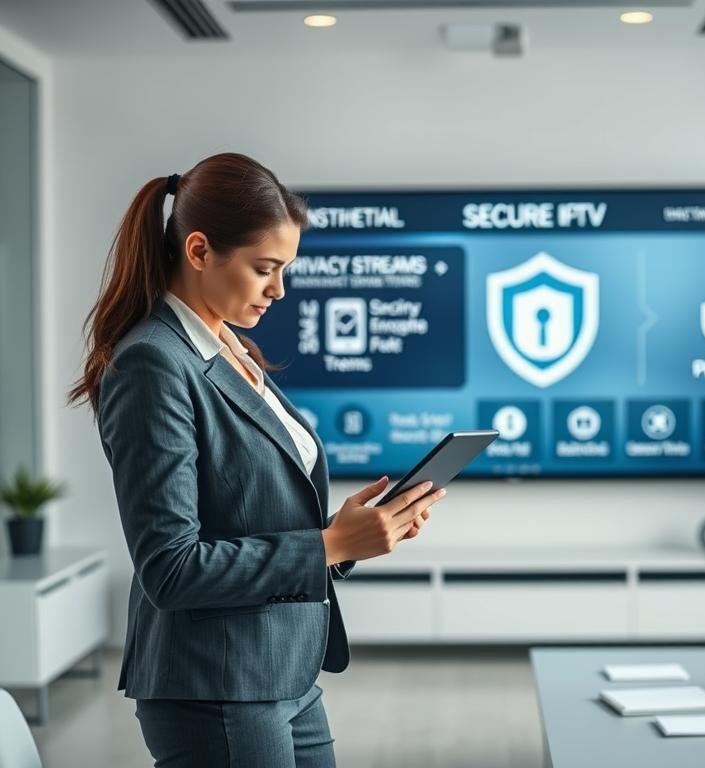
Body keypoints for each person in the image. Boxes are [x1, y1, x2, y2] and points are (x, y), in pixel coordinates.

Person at [67, 152, 445, 767]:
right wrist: (328, 546)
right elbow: (170, 568)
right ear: (198, 251)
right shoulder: (153, 364)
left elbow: (250, 508)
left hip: (283, 672)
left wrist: (343, 532)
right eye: (264, 268)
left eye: (285, 269)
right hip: (215, 688)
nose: (279, 290)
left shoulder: (227, 345)